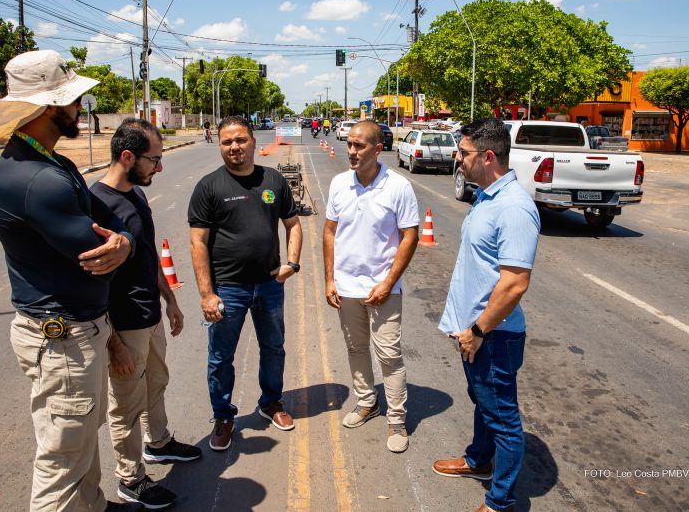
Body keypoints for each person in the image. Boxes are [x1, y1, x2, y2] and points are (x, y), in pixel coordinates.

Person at [0, 50, 141, 512]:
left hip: (77, 331)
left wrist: (126, 243)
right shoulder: (38, 179)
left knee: (80, 443)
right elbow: (99, 250)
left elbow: (114, 224)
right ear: (49, 107)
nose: (81, 108)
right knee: (61, 460)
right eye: (73, 100)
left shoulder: (54, 164)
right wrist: (122, 246)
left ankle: (92, 505)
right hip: (62, 339)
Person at [90, 119, 202, 510]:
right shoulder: (97, 206)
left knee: (157, 381)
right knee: (125, 405)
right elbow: (93, 284)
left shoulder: (136, 195)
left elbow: (148, 254)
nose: (159, 167)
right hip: (123, 326)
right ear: (127, 156)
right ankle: (130, 479)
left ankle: (159, 443)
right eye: (154, 159)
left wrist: (169, 300)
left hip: (149, 315)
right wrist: (114, 343)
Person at [432, 118, 540, 512]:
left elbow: (514, 284)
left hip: (492, 336)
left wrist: (478, 328)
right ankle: (478, 461)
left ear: (488, 156)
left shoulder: (513, 207)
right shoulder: (488, 196)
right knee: (483, 402)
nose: (457, 159)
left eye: (463, 153)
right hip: (475, 332)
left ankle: (500, 501)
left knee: (503, 419)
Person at [188, 115, 303, 451]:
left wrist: (291, 264)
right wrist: (207, 294)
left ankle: (271, 403)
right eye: (227, 142)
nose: (234, 147)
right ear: (220, 145)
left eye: (240, 140)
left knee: (274, 348)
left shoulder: (274, 180)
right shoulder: (209, 187)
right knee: (221, 356)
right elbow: (197, 242)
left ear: (253, 141)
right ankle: (224, 415)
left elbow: (293, 224)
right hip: (228, 289)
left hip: (269, 286)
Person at [323, 121, 420, 453]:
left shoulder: (398, 187)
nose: (351, 151)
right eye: (349, 144)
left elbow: (410, 237)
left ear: (378, 149)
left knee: (389, 356)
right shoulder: (339, 184)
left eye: (359, 146)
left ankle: (397, 418)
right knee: (355, 349)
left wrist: (388, 282)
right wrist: (330, 278)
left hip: (383, 290)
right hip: (347, 288)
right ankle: (367, 402)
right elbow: (330, 232)